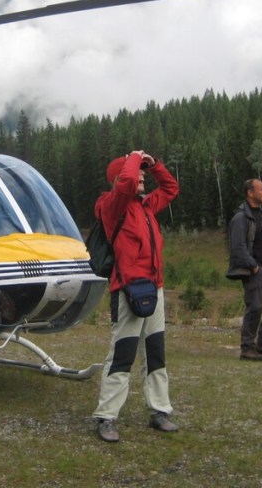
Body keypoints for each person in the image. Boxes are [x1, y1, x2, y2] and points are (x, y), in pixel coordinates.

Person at [92, 150, 180, 443]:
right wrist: (134, 157)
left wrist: (155, 165)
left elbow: (171, 188)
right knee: (122, 354)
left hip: (155, 288)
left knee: (155, 353)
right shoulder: (111, 204)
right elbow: (128, 180)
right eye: (138, 171)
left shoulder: (145, 205)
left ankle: (159, 411)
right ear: (118, 178)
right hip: (127, 289)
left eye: (143, 172)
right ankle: (106, 417)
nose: (142, 175)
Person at [226, 178, 262, 361]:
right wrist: (253, 265)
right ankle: (247, 348)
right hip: (254, 271)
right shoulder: (240, 218)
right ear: (250, 193)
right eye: (261, 189)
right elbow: (237, 247)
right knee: (255, 307)